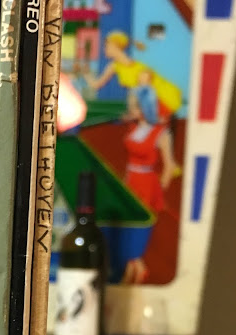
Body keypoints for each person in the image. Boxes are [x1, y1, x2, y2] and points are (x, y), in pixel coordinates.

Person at [121, 84, 178, 284]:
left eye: (135, 106)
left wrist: (158, 190)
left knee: (137, 229)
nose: (131, 109)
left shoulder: (161, 133)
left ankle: (134, 269)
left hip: (146, 185)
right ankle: (136, 268)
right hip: (130, 180)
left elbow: (169, 166)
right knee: (126, 227)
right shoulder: (135, 127)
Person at [82, 31, 182, 121]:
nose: (104, 50)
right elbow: (96, 84)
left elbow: (144, 93)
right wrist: (85, 73)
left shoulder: (140, 69)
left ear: (115, 46)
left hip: (164, 101)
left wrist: (136, 112)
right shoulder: (114, 66)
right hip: (147, 107)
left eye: (106, 46)